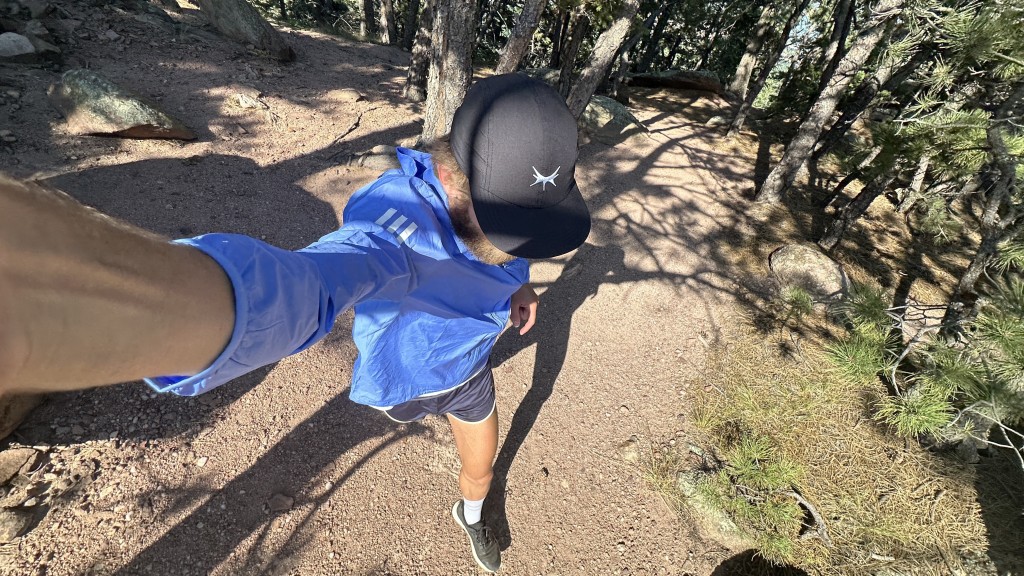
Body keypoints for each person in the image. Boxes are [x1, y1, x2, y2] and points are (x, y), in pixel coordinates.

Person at [0, 73, 590, 572]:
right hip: (406, 377)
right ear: (450, 175)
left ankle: (473, 511)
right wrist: (82, 304)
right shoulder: (394, 221)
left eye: (531, 227)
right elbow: (314, 281)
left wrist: (519, 284)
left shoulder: (497, 207)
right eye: (507, 226)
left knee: (478, 463)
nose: (521, 242)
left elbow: (513, 247)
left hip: (469, 370)